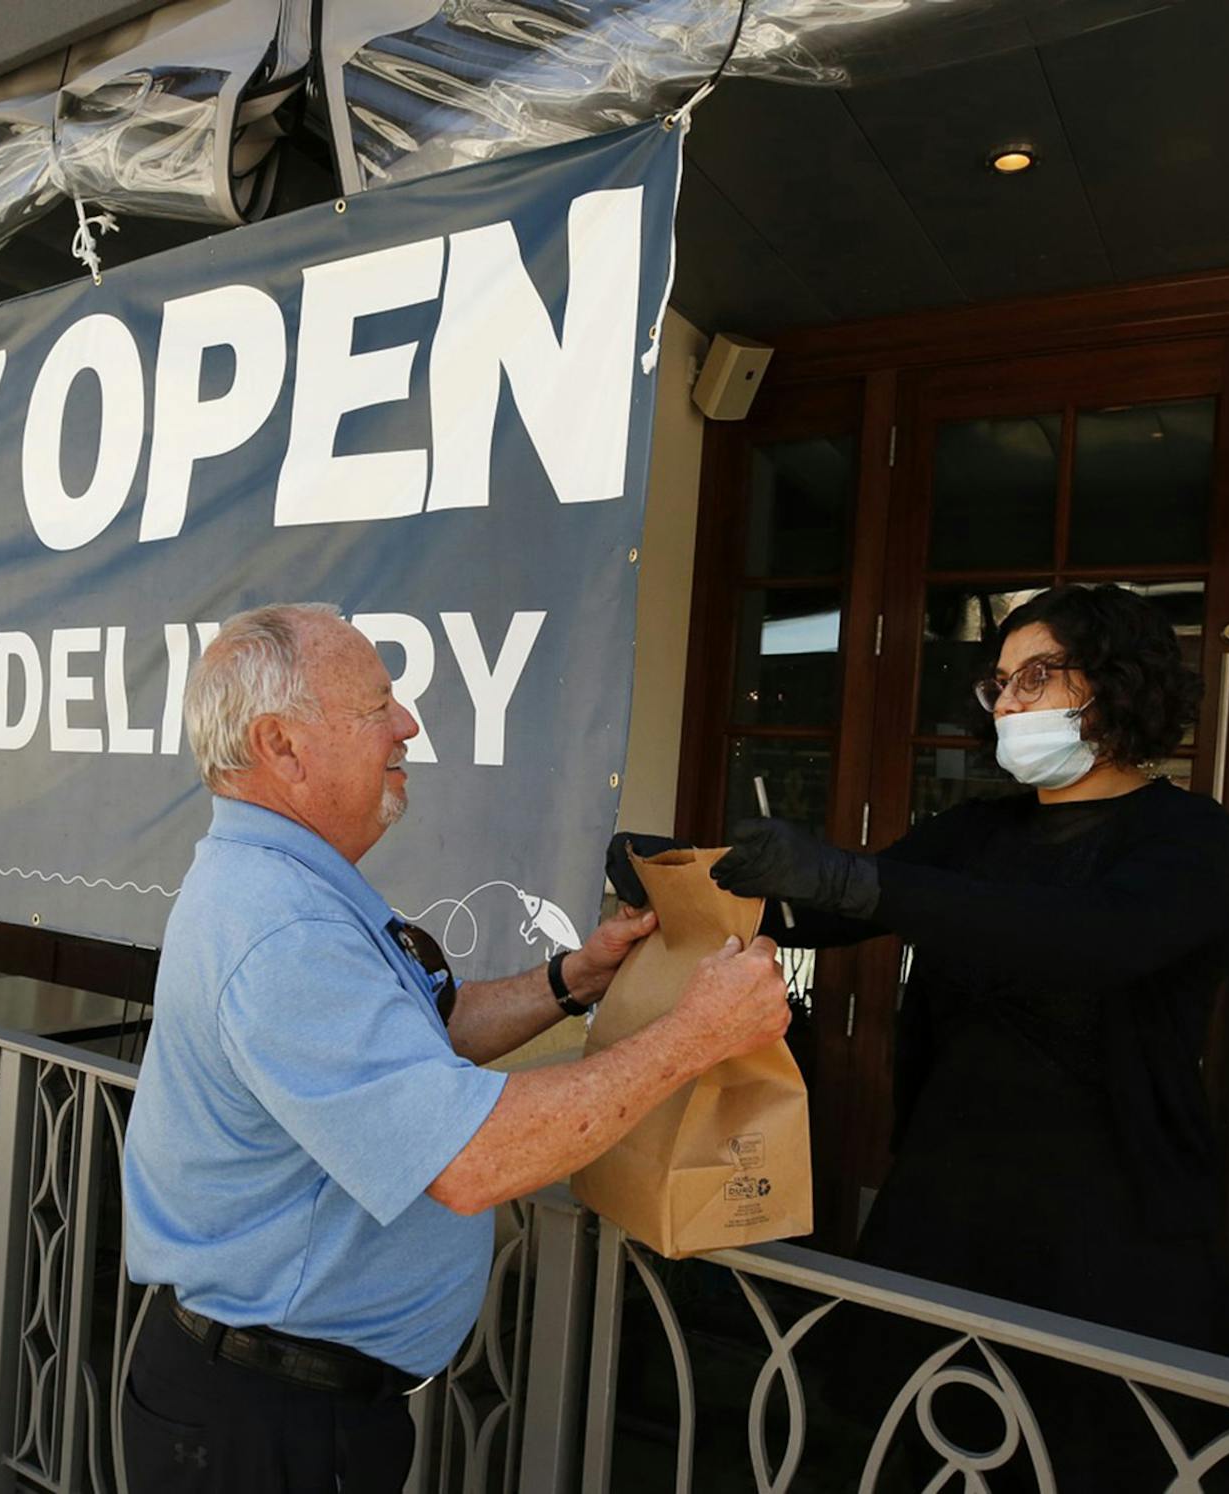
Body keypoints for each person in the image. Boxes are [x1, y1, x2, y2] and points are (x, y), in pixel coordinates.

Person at [120, 602, 792, 1493]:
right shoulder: (281, 927)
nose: (408, 724)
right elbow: (470, 1160)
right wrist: (697, 1035)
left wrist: (575, 980)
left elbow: (423, 1036)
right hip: (265, 1427)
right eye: (378, 707)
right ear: (281, 747)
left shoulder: (295, 886)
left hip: (290, 1407)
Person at [698, 583, 1229, 1491]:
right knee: (919, 1450)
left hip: (1110, 1227)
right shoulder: (979, 829)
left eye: (1035, 676)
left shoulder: (1190, 838)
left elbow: (1096, 937)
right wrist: (679, 876)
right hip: (949, 1204)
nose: (1007, 703)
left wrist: (859, 885)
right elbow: (831, 911)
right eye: (998, 683)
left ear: (1115, 683)